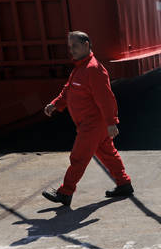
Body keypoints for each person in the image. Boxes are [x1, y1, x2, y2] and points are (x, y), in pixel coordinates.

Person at [42, 31, 133, 206]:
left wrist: (111, 122)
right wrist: (55, 104)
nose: (71, 50)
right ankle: (124, 184)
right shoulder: (79, 68)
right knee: (108, 154)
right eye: (70, 47)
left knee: (78, 157)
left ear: (86, 45)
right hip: (87, 124)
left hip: (93, 125)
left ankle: (65, 192)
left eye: (74, 46)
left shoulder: (93, 69)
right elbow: (68, 91)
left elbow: (106, 98)